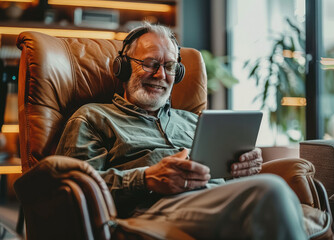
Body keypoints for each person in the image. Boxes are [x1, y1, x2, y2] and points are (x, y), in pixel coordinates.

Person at [55, 22, 307, 239]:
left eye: (170, 66)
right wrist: (146, 179)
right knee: (270, 190)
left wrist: (242, 168)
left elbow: (224, 175)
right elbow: (75, 187)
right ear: (122, 67)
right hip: (153, 209)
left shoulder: (194, 121)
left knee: (274, 191)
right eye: (150, 63)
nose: (160, 74)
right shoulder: (93, 117)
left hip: (215, 199)